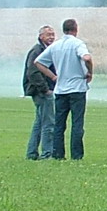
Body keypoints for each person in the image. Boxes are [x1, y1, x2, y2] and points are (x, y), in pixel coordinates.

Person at [33, 18, 93, 160]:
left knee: (59, 124)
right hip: (77, 88)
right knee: (77, 124)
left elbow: (38, 62)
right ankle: (76, 155)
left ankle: (58, 154)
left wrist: (54, 77)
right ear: (75, 29)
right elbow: (86, 57)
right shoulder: (78, 43)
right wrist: (90, 72)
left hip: (61, 90)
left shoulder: (56, 45)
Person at [23, 24, 56, 160]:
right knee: (49, 123)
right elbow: (33, 72)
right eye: (48, 35)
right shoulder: (37, 51)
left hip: (40, 91)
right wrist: (45, 89)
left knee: (39, 123)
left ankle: (31, 153)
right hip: (41, 92)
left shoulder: (45, 49)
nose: (52, 37)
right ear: (41, 36)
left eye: (53, 34)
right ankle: (47, 154)